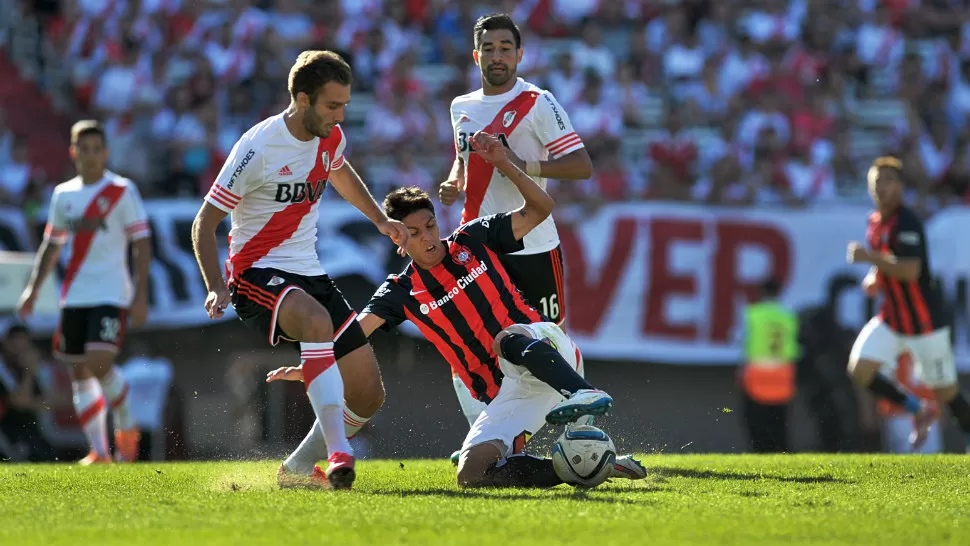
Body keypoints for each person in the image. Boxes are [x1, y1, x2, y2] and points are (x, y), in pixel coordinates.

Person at [268, 132, 646, 488]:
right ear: (398, 238)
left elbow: (542, 207)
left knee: (505, 336)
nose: (428, 237)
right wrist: (316, 365)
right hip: (511, 391)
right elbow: (355, 334)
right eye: (414, 233)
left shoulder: (474, 237)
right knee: (471, 473)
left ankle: (582, 393)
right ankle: (587, 468)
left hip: (546, 350)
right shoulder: (400, 291)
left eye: (430, 225)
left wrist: (506, 164)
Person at [191, 50, 408, 490]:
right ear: (303, 100)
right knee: (315, 320)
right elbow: (204, 222)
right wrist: (216, 286)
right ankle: (339, 455)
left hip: (309, 274)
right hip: (254, 275)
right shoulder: (257, 147)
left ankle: (293, 471)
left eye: (346, 104)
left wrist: (381, 220)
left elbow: (341, 173)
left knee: (367, 395)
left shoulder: (332, 137)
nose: (341, 114)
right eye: (333, 105)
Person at [437, 13, 594, 460]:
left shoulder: (538, 102)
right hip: (479, 246)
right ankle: (485, 441)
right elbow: (463, 160)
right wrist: (455, 181)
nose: (497, 55)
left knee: (551, 341)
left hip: (535, 243)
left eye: (505, 47)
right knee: (472, 342)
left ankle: (582, 435)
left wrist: (523, 167)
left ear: (519, 54)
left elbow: (582, 166)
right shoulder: (460, 106)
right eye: (489, 48)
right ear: (476, 55)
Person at [16, 120, 150, 465]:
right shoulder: (64, 194)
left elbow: (141, 243)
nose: (90, 156)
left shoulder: (122, 190)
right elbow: (52, 244)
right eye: (83, 149)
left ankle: (127, 426)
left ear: (105, 152)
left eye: (96, 149)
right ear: (73, 152)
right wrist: (33, 289)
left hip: (111, 293)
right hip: (74, 294)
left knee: (99, 362)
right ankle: (100, 452)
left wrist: (140, 293)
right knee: (78, 370)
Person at [846, 156, 970, 453]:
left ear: (901, 187)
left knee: (947, 392)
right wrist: (875, 277)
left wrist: (870, 259)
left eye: (888, 181)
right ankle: (917, 408)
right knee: (859, 369)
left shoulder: (908, 221)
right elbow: (888, 262)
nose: (882, 188)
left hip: (924, 323)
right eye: (876, 182)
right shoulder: (875, 222)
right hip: (892, 319)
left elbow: (910, 269)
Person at [738, 279, 798, 453]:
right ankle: (780, 451)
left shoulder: (752, 313)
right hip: (783, 371)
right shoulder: (788, 315)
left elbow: (743, 341)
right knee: (779, 418)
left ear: (761, 292)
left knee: (756, 418)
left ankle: (760, 450)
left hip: (758, 370)